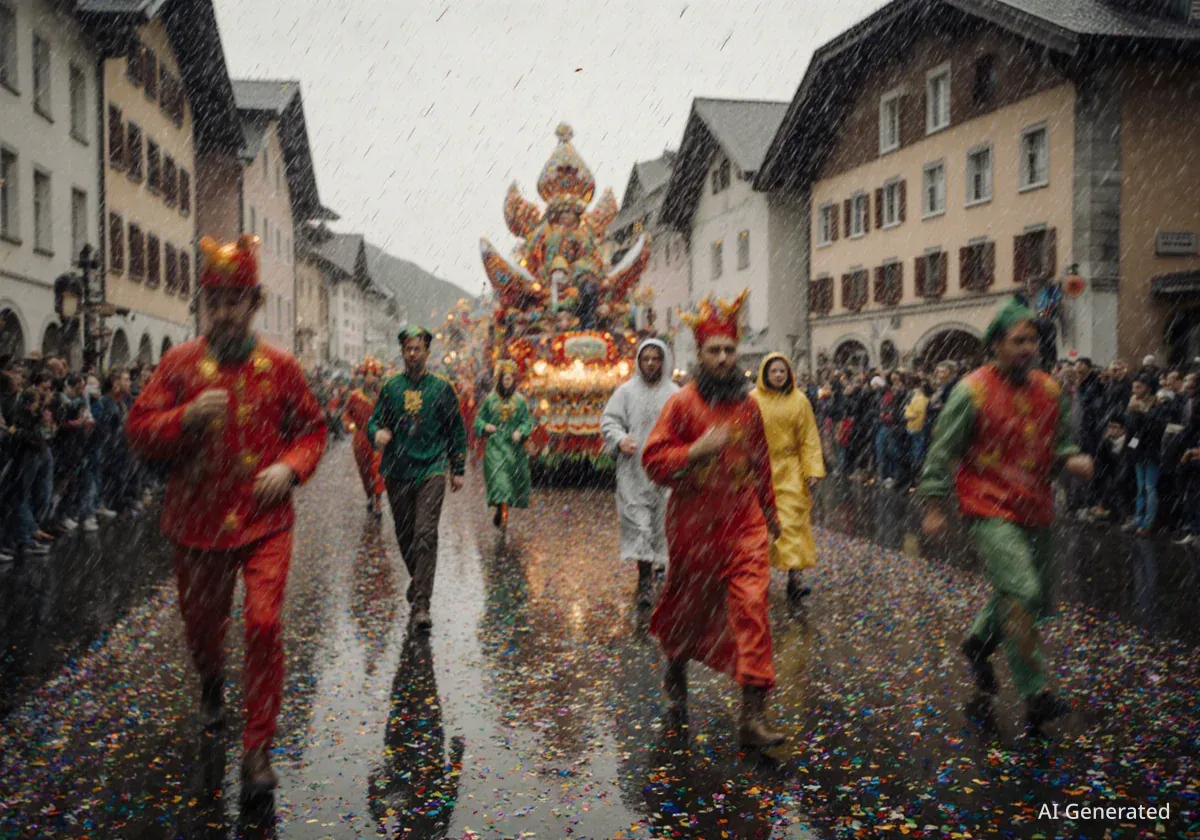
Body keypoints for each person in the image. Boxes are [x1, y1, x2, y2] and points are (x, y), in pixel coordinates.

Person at [126, 235, 328, 798]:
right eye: (214, 300)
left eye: (234, 300)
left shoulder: (281, 367)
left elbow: (313, 430)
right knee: (201, 628)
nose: (223, 311)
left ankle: (257, 748)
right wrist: (184, 418)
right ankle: (212, 681)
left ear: (254, 303)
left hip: (265, 521)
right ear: (203, 305)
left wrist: (289, 468)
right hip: (197, 522)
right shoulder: (179, 364)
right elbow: (138, 431)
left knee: (263, 624)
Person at [919, 297, 1093, 733]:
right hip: (988, 506)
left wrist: (1071, 458)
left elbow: (1058, 443)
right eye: (1018, 341)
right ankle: (1036, 692)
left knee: (1028, 595)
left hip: (1035, 506)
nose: (1027, 348)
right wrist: (934, 505)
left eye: (1032, 341)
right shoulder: (971, 391)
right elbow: (942, 450)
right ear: (996, 344)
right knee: (1021, 589)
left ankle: (979, 642)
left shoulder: (1050, 390)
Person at [641, 290, 785, 749]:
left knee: (753, 609)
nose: (723, 359)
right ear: (699, 355)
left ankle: (753, 714)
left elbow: (760, 462)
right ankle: (675, 662)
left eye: (729, 350)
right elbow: (653, 461)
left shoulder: (749, 406)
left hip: (743, 525)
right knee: (688, 607)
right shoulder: (681, 405)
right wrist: (694, 451)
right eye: (714, 351)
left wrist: (770, 513)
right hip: (693, 527)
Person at [368, 326, 467, 632]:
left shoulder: (442, 388)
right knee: (405, 535)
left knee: (425, 533)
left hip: (432, 468)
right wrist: (377, 434)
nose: (412, 354)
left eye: (417, 349)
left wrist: (458, 467)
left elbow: (456, 428)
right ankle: (418, 580)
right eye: (408, 349)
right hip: (398, 470)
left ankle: (422, 604)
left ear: (427, 353)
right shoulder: (391, 388)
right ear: (402, 352)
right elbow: (374, 421)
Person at [600, 338, 679, 606]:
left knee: (662, 524)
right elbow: (609, 420)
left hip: (665, 470)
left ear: (663, 361)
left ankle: (662, 570)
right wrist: (620, 439)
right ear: (639, 361)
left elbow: (686, 426)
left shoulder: (675, 394)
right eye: (646, 359)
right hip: (634, 471)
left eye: (656, 359)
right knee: (639, 524)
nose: (651, 364)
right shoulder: (625, 392)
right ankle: (644, 580)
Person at [750, 353, 825, 604]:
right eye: (774, 371)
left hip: (790, 469)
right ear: (765, 373)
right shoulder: (753, 400)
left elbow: (808, 437)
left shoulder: (799, 400)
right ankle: (756, 578)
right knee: (759, 526)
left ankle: (795, 578)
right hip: (760, 469)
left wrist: (812, 469)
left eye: (782, 371)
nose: (778, 375)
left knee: (792, 522)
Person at [475, 359, 534, 529]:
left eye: (510, 378)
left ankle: (502, 507)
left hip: (513, 449)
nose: (507, 382)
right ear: (500, 380)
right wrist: (486, 426)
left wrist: (520, 431)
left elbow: (527, 422)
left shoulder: (520, 401)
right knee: (499, 480)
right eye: (505, 378)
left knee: (509, 482)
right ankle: (501, 510)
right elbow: (479, 420)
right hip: (495, 447)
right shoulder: (490, 400)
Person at [344, 357, 386, 516]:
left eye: (373, 375)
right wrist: (350, 424)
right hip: (360, 439)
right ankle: (369, 495)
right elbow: (346, 414)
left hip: (377, 439)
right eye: (368, 375)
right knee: (365, 471)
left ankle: (378, 501)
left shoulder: (382, 397)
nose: (370, 379)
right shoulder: (355, 396)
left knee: (378, 471)